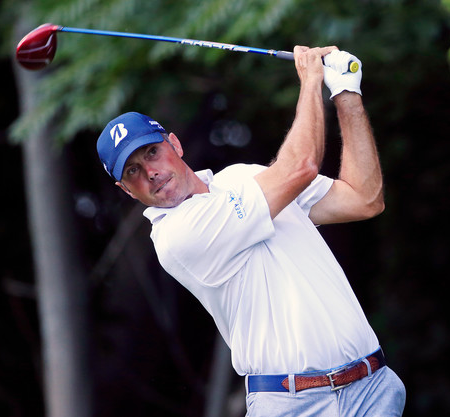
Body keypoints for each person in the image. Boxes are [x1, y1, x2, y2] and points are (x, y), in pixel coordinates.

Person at [97, 45, 406, 416]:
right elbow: (300, 167)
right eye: (131, 171)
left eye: (151, 153)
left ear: (174, 144)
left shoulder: (244, 176)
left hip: (371, 389)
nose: (150, 172)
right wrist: (311, 80)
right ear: (125, 190)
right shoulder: (176, 236)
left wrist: (346, 94)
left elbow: (363, 199)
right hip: (294, 405)